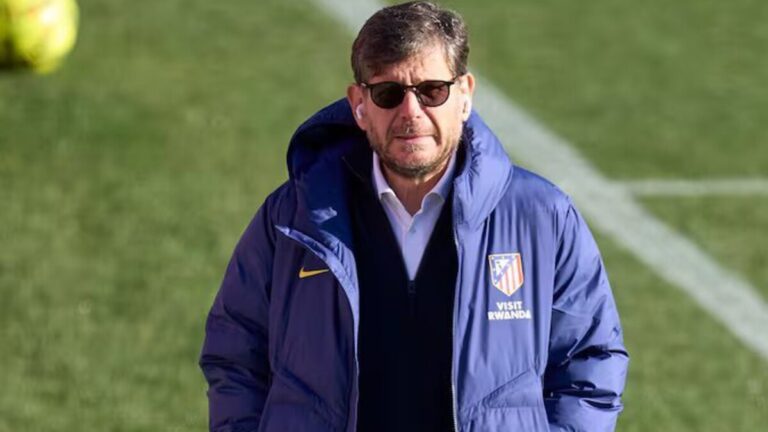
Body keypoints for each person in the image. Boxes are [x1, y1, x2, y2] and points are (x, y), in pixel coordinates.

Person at [199, 2, 629, 431]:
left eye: (432, 91)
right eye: (389, 94)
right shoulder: (291, 219)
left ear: (464, 95)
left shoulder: (542, 216)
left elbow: (589, 360)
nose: (411, 112)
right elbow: (235, 352)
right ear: (359, 104)